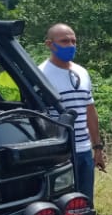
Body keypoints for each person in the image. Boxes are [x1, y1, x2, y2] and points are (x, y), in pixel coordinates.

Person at [39, 24, 106, 201]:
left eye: (73, 41)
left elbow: (90, 111)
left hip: (84, 151)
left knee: (85, 201)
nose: (70, 45)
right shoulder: (41, 75)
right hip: (60, 153)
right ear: (50, 44)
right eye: (64, 41)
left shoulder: (82, 72)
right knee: (63, 203)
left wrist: (97, 147)